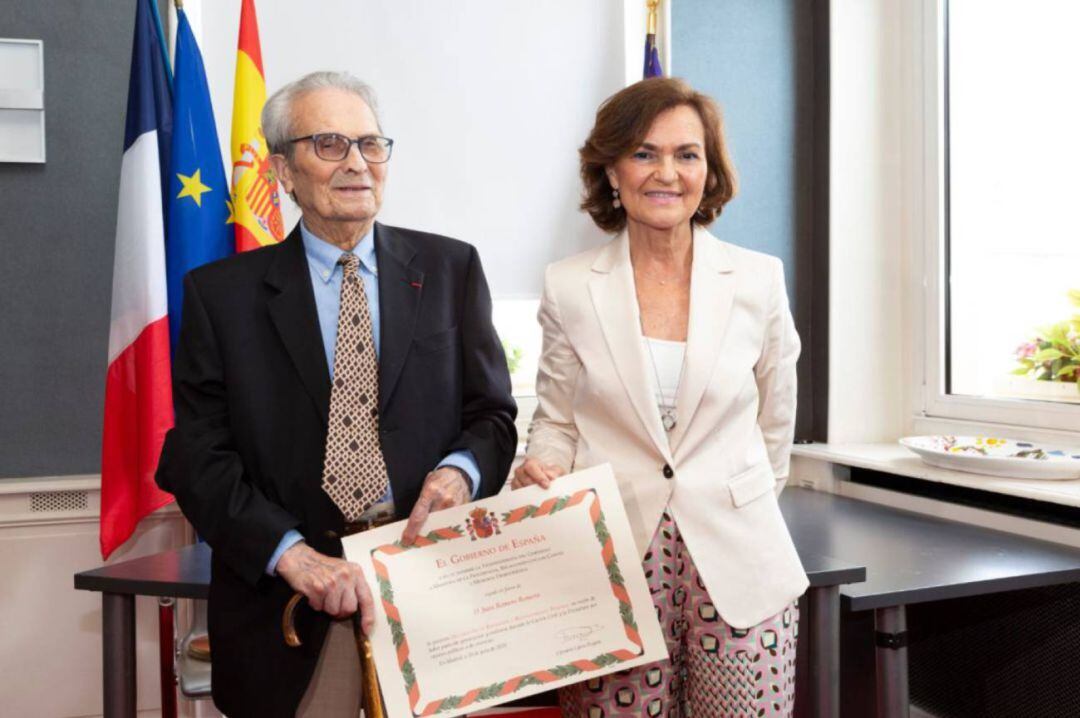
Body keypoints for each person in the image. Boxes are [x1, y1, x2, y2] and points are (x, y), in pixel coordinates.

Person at [156, 71, 517, 718]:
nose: (357, 163)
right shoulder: (220, 296)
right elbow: (199, 460)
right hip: (287, 612)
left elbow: (491, 417)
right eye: (329, 144)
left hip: (431, 600)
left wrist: (462, 473)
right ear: (283, 173)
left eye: (371, 144)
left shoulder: (450, 270)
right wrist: (290, 555)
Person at [513, 77, 807, 716]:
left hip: (741, 561)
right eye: (644, 154)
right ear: (611, 171)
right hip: (612, 564)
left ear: (709, 171)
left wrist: (737, 498)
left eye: (686, 154)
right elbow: (558, 420)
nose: (666, 173)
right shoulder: (569, 286)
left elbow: (776, 422)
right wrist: (544, 466)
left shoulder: (759, 280)